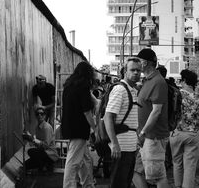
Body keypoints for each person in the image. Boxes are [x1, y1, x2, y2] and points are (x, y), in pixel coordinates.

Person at [104, 58, 141, 188]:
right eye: (132, 70)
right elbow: (108, 117)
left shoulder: (133, 90)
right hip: (121, 146)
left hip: (130, 146)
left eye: (138, 70)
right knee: (118, 183)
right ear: (125, 71)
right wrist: (114, 144)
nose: (136, 73)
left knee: (125, 182)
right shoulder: (120, 90)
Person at [135, 48, 169, 188]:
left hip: (153, 137)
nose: (137, 64)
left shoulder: (158, 82)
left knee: (157, 177)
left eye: (139, 61)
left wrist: (143, 133)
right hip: (145, 137)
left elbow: (156, 112)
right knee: (135, 170)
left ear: (145, 63)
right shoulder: (147, 81)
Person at [62, 61, 96, 188]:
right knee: (73, 162)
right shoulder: (83, 86)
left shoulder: (69, 85)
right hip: (79, 129)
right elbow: (87, 112)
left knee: (85, 159)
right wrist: (95, 129)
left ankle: (88, 184)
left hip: (69, 127)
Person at [169, 69, 199, 188]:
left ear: (185, 80)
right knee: (190, 165)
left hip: (176, 132)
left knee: (177, 162)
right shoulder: (197, 97)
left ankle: (177, 186)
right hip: (193, 133)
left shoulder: (176, 94)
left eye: (181, 80)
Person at [23, 106, 59, 173]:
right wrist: (30, 138)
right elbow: (38, 144)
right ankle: (43, 165)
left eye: (42, 114)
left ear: (45, 116)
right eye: (37, 114)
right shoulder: (37, 127)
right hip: (43, 152)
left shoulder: (47, 127)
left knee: (31, 152)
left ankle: (46, 164)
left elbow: (46, 146)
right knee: (25, 165)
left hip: (50, 154)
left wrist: (33, 139)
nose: (39, 115)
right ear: (36, 116)